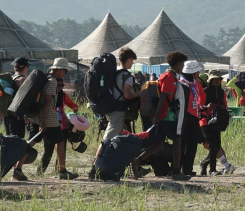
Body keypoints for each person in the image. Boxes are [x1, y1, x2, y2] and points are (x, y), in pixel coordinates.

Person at [88, 48, 142, 180]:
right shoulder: (126, 76)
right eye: (132, 61)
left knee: (118, 138)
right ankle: (95, 167)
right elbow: (128, 95)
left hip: (110, 108)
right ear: (128, 60)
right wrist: (141, 93)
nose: (132, 64)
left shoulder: (114, 73)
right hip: (118, 110)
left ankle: (134, 167)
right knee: (107, 140)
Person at [27, 58, 78, 179]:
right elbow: (47, 102)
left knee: (32, 142)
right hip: (48, 116)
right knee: (60, 141)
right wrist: (43, 121)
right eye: (64, 70)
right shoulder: (52, 81)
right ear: (59, 69)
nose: (65, 73)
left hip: (35, 115)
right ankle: (62, 171)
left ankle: (17, 166)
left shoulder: (46, 78)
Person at [145, 51, 191, 181]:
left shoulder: (168, 75)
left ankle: (137, 161)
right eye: (182, 64)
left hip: (164, 116)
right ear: (177, 64)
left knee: (159, 144)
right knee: (177, 141)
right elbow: (163, 97)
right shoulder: (170, 77)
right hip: (168, 117)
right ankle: (176, 171)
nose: (182, 67)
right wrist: (157, 116)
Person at [199, 69, 236, 175]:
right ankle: (212, 170)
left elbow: (225, 105)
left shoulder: (222, 93)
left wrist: (224, 107)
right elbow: (198, 106)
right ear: (210, 81)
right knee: (212, 145)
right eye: (214, 79)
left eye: (218, 79)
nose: (216, 81)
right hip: (204, 121)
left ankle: (205, 164)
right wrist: (207, 106)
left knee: (216, 145)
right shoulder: (204, 91)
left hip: (217, 122)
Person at [180, 60, 205, 176]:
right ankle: (177, 167)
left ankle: (188, 169)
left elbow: (202, 97)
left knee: (192, 143)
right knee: (181, 143)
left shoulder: (196, 83)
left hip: (194, 115)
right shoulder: (181, 83)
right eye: (197, 71)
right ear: (193, 72)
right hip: (183, 115)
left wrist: (199, 106)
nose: (198, 73)